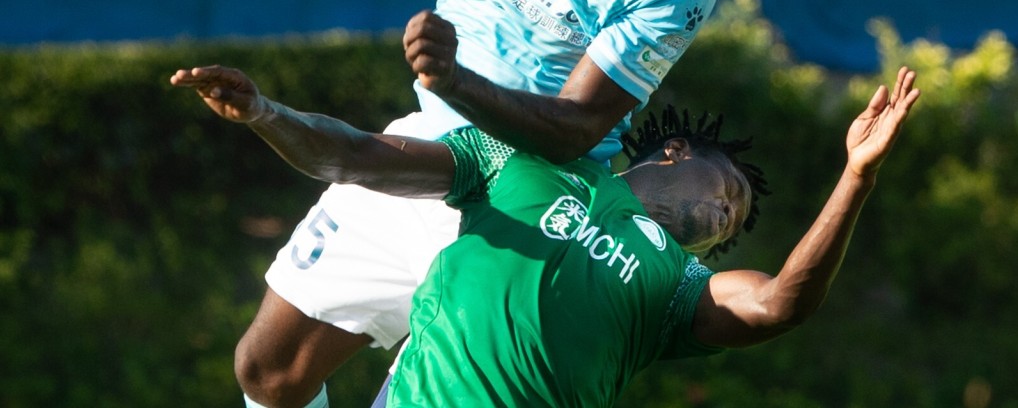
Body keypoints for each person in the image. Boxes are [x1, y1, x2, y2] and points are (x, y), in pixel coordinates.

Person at [65, 0, 722, 407]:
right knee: (269, 371)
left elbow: (576, 128)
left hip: (527, 205)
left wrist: (459, 82)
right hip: (423, 145)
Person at [170, 62, 919, 407]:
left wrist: (856, 176)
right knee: (263, 373)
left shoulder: (674, 289)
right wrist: (268, 113)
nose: (727, 215)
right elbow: (357, 156)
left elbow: (780, 303)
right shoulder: (519, 165)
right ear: (674, 153)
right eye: (728, 191)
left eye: (732, 225)